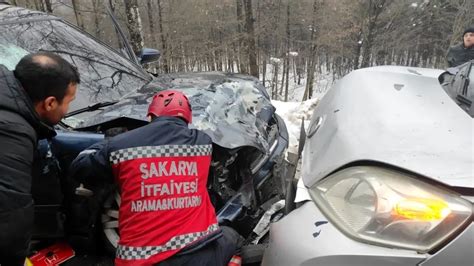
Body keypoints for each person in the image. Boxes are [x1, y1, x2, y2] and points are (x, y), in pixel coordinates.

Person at [69, 90, 241, 266]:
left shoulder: (120, 146)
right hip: (196, 254)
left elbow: (79, 167)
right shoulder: (203, 143)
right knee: (233, 238)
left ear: (150, 115)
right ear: (188, 119)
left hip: (138, 261)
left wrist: (109, 142)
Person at [0, 52, 79, 265]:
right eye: (69, 102)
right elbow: (11, 211)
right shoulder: (12, 132)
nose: (68, 110)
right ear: (50, 103)